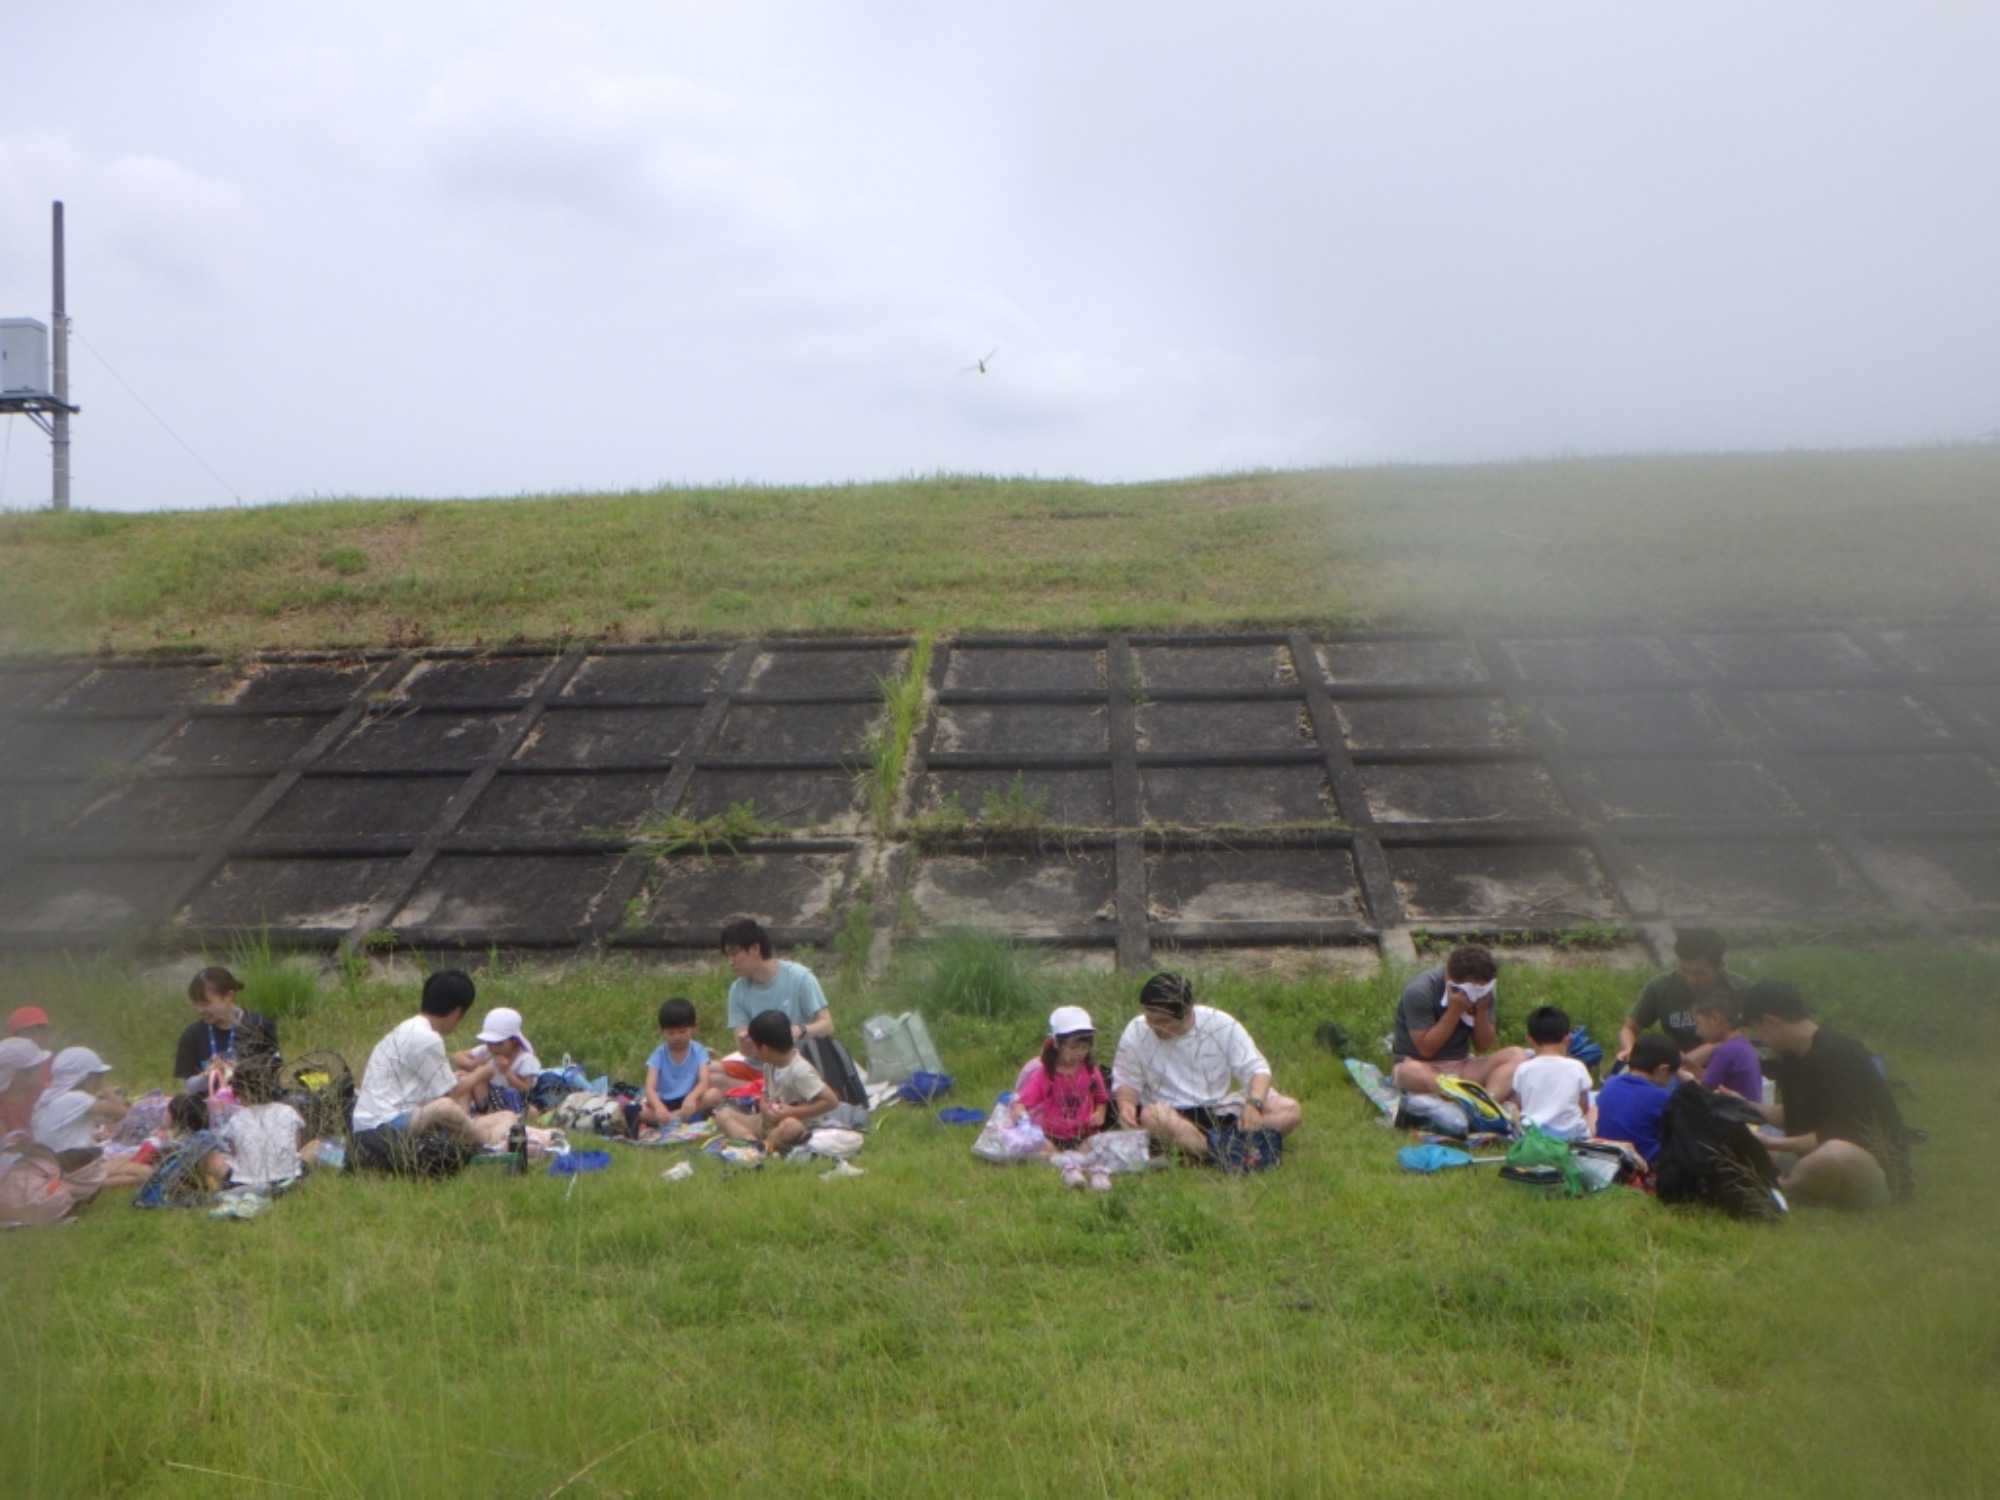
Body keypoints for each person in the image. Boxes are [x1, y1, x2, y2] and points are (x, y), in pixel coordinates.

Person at [1739, 980, 1912, 1209]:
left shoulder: (1838, 1057)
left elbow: (1842, 1134)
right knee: (1743, 1145)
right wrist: (1746, 1108)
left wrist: (1774, 1141)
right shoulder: (1792, 1056)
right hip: (1812, 1160)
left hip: (1867, 1168)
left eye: (1756, 1030)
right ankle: (1790, 1184)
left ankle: (1777, 1191)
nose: (1760, 1040)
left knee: (1835, 1154)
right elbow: (1796, 1114)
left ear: (1769, 1021)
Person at [1110, 972, 1302, 1164]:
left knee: (1289, 1109)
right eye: (1149, 1019)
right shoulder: (1136, 1030)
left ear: (1186, 1014)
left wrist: (1254, 1105)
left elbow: (1257, 1069)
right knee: (1150, 1116)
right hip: (1169, 1113)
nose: (1153, 1027)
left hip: (1218, 1108)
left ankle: (1205, 1149)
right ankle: (1219, 1152)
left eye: (1162, 1022)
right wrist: (1126, 1107)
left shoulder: (1220, 1024)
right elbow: (1127, 1081)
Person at [351, 970, 514, 1156]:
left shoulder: (409, 1028)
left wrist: (454, 1078)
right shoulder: (426, 1038)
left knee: (508, 1116)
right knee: (445, 1108)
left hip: (395, 1119)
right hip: (382, 1125)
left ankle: (491, 1139)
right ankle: (487, 1145)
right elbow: (449, 1095)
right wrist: (480, 1075)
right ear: (456, 1010)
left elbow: (419, 1088)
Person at [1389, 944, 1527, 1104]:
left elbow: (1483, 1045)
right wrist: (1455, 1011)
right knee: (1410, 1072)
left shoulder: (1483, 993)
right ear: (1451, 980)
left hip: (1461, 1065)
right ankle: (1466, 1099)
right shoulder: (1420, 991)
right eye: (1473, 988)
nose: (1477, 993)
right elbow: (1426, 1049)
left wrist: (1481, 1010)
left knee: (1517, 1055)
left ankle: (1486, 1104)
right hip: (1422, 1065)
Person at [712, 1009, 855, 1154]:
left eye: (755, 1046)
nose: (753, 1050)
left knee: (791, 1126)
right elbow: (765, 1092)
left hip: (793, 1124)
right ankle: (753, 1144)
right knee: (723, 1114)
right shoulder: (770, 1064)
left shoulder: (800, 1071)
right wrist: (764, 1105)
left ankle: (759, 1148)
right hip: (766, 1122)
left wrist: (792, 1111)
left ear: (765, 1049)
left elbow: (831, 1101)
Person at [1617, 929, 1746, 1072]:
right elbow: (1629, 1028)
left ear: (1720, 967)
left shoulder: (1739, 990)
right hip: (1672, 1064)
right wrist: (1632, 1050)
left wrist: (1682, 1065)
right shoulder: (1661, 987)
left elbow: (1731, 1038)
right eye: (1685, 971)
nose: (1691, 979)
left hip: (1722, 1064)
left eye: (1700, 973)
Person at [1016, 1006, 1111, 1182]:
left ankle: (1086, 1168)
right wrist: (1021, 1119)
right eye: (1073, 1047)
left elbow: (1101, 1100)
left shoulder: (1091, 1072)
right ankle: (1068, 1168)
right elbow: (1022, 1104)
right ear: (1056, 1043)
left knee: (1097, 1147)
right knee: (1044, 1149)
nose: (1079, 1053)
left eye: (1084, 1047)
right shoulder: (1044, 1075)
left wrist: (1100, 1113)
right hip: (1052, 1135)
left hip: (1083, 1133)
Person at [720, 917, 834, 1053]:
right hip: (758, 1064)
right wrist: (747, 1043)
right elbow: (743, 1049)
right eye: (728, 956)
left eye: (734, 954)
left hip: (798, 1062)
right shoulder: (737, 990)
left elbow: (827, 1025)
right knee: (710, 1070)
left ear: (755, 949)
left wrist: (800, 1030)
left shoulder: (800, 977)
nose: (731, 962)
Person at [174, 966, 280, 1096]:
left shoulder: (259, 1025)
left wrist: (241, 1073)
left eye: (205, 1004)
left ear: (228, 996)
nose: (200, 1010)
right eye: (195, 1004)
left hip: (252, 1104)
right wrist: (205, 1077)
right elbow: (189, 1088)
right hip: (209, 1108)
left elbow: (274, 1073)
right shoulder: (191, 1035)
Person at [218, 1054, 305, 1190]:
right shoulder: (288, 1112)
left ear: (240, 1093)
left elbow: (235, 1151)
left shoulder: (236, 1119)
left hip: (246, 1183)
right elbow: (296, 1144)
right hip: (288, 1178)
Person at [1511, 1005, 1593, 1141]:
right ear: (1567, 1039)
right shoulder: (1577, 1067)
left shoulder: (1523, 1069)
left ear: (1529, 1039)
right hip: (1571, 1136)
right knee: (1593, 1114)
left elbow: (1520, 1105)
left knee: (1513, 1111)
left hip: (1533, 1135)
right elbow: (1584, 1106)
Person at [1593, 1036, 1680, 1165]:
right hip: (1642, 1162)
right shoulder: (1661, 1097)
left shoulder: (1610, 1083)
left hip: (1606, 1157)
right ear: (1663, 1070)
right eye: (1671, 1076)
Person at [639, 997, 724, 1128]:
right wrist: (658, 1107)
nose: (677, 1037)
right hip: (665, 1102)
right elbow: (650, 1087)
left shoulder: (699, 1051)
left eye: (682, 1032)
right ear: (662, 1031)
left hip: (690, 1100)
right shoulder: (659, 1054)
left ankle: (673, 1118)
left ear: (694, 1027)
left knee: (715, 1094)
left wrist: (692, 1097)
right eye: (671, 1033)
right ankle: (675, 1117)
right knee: (639, 1109)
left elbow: (704, 1081)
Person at [450, 1006, 543, 1113]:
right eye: (489, 1043)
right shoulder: (487, 1051)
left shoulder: (524, 1059)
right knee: (464, 1077)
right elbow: (456, 1056)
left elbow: (526, 1088)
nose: (493, 1048)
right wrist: (472, 1064)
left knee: (532, 1111)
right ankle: (464, 1113)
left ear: (513, 1040)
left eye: (499, 1044)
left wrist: (506, 1072)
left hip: (510, 1101)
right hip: (485, 1096)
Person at [1690, 990, 1763, 1101]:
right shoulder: (1742, 1045)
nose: (1697, 1032)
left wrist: (1678, 1073)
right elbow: (1713, 1078)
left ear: (1715, 1019)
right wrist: (1689, 1065)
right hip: (1751, 1114)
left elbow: (1704, 1090)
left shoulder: (1725, 1052)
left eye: (1698, 1023)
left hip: (1735, 1115)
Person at [0, 1035, 52, 1140]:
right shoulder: (2, 1103)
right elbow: (4, 1141)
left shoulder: (40, 1091)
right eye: (36, 1068)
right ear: (19, 1074)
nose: (40, 1071)